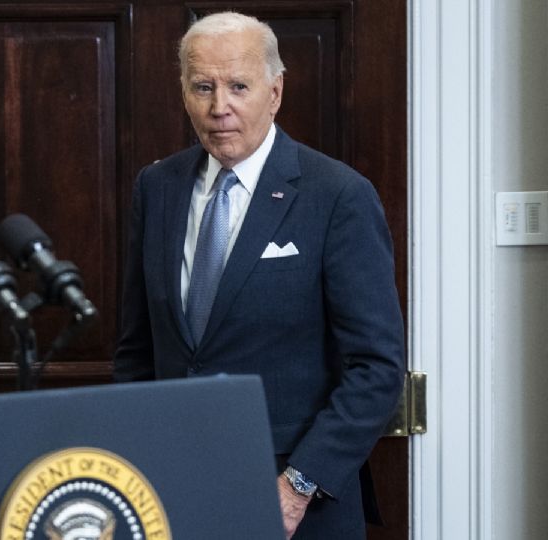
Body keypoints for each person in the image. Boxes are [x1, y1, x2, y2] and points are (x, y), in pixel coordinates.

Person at [113, 11, 405, 539]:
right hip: (173, 490)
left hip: (297, 499)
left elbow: (377, 368)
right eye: (202, 86)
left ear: (275, 92)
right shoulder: (156, 187)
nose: (218, 106)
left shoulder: (337, 196)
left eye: (238, 86)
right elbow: (136, 351)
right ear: (183, 92)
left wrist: (296, 486)